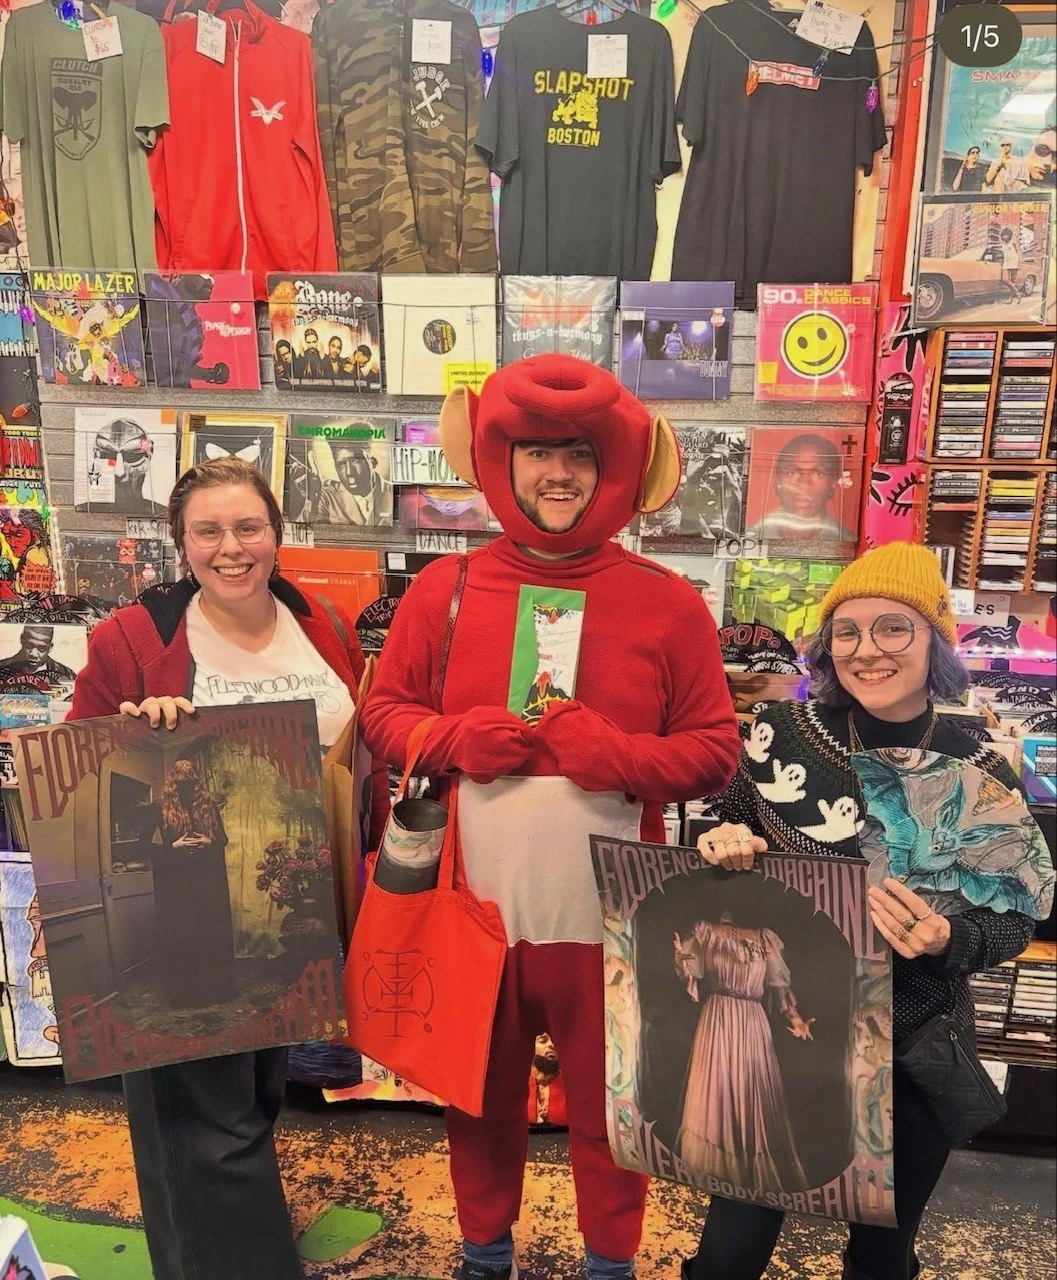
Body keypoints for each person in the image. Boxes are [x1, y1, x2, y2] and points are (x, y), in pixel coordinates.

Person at [361, 353, 742, 1280]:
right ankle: (482, 1257)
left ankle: (609, 1265)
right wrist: (449, 739)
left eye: (575, 452)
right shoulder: (441, 592)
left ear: (615, 463)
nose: (557, 474)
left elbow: (713, 752)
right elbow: (382, 718)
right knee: (474, 1101)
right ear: (501, 460)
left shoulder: (668, 603)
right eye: (536, 452)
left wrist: (622, 761)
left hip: (611, 920)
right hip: (471, 911)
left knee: (616, 1108)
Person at [69, 456, 388, 1280]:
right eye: (207, 531)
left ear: (278, 533)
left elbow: (360, 752)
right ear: (181, 543)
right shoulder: (134, 638)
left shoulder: (318, 620)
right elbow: (77, 774)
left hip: (292, 912)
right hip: (188, 912)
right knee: (207, 1133)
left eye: (248, 527)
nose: (231, 547)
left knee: (246, 1110)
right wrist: (141, 735)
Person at [684, 541, 1036, 1280]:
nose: (864, 649)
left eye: (891, 628)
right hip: (779, 1044)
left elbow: (1016, 912)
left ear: (932, 644)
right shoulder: (779, 736)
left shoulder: (977, 764)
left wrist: (949, 936)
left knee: (879, 1256)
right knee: (726, 1253)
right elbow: (727, 822)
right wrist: (719, 840)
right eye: (845, 630)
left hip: (912, 1040)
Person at [673, 912, 814, 1192]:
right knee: (715, 1091)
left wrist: (795, 1019)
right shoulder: (706, 931)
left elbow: (780, 988)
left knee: (754, 1091)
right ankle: (712, 1176)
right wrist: (680, 962)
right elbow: (691, 973)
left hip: (752, 1022)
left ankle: (748, 1180)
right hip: (718, 1018)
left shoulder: (766, 938)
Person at [154, 758, 236, 1009]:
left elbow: (222, 839)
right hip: (177, 884)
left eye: (189, 783)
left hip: (207, 880)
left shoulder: (209, 805)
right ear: (172, 783)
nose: (185, 787)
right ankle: (185, 996)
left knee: (210, 933)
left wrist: (209, 842)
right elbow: (145, 846)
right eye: (180, 783)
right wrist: (174, 846)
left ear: (197, 782)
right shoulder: (159, 807)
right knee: (184, 935)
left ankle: (216, 991)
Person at [747, 433, 857, 543]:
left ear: (833, 485)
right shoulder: (750, 537)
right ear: (777, 482)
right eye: (791, 472)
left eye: (819, 473)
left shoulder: (846, 541)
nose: (804, 483)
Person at [88, 417, 165, 515]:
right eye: (108, 456)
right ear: (96, 455)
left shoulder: (160, 512)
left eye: (131, 456)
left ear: (148, 456)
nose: (120, 471)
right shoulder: (87, 510)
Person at [0, 625, 76, 691]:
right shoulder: (2, 668)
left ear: (50, 647)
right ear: (22, 639)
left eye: (41, 648)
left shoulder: (67, 674)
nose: (34, 654)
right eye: (29, 645)